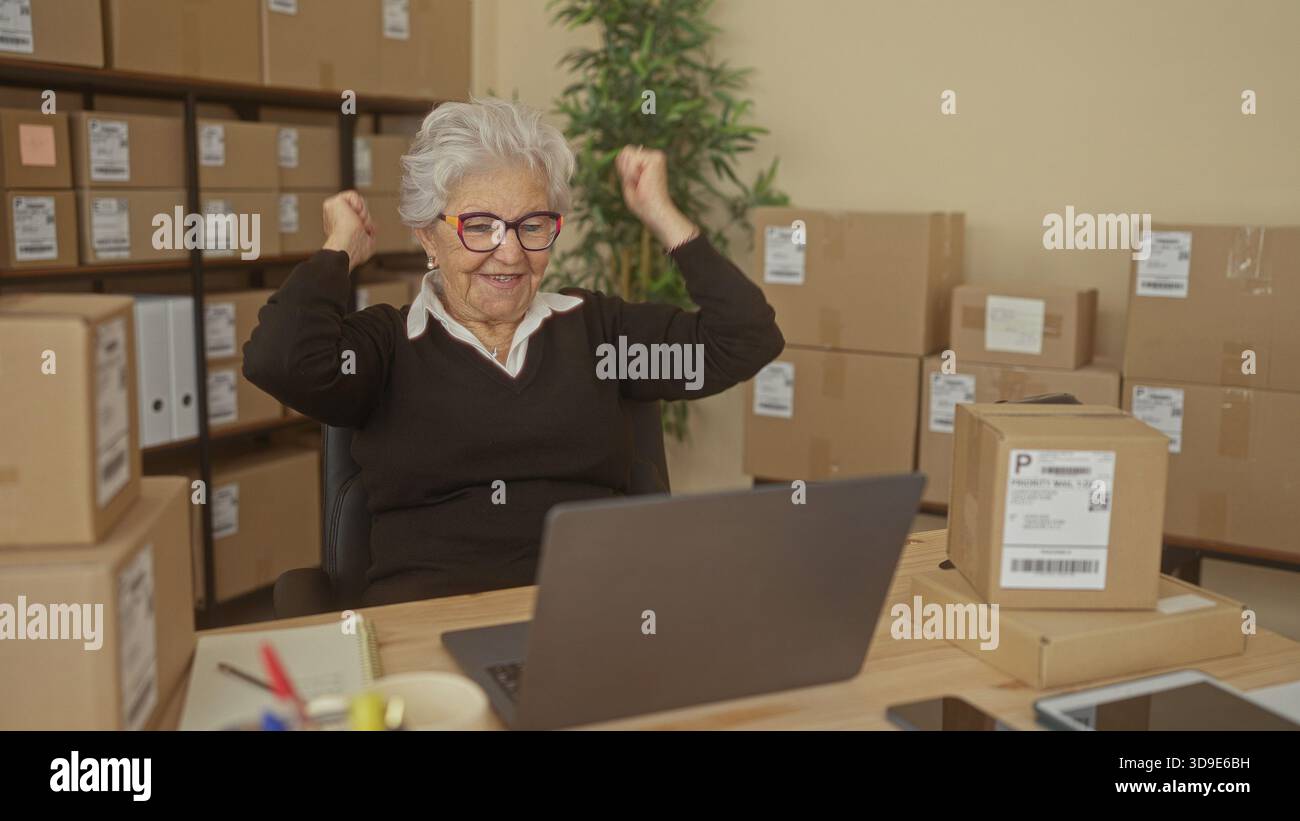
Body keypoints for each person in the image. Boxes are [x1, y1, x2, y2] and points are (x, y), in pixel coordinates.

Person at [243, 97, 784, 605]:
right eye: (479, 226)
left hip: (594, 613)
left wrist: (663, 215)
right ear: (428, 237)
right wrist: (339, 248)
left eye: (532, 225)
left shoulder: (599, 333)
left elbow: (745, 339)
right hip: (431, 626)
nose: (510, 252)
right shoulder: (386, 347)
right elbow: (278, 360)